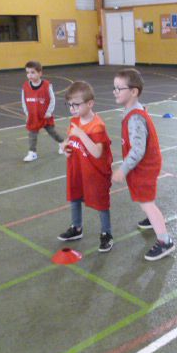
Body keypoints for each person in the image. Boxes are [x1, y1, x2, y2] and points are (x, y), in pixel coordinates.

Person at [111, 68, 175, 261]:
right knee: (143, 198)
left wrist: (123, 169)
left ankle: (165, 241)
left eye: (119, 88)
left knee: (146, 202)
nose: (115, 92)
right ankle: (151, 219)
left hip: (144, 166)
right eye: (114, 88)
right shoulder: (134, 110)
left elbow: (138, 150)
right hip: (144, 165)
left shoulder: (135, 117)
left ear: (134, 91)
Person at [58, 81, 114, 252]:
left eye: (76, 104)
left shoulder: (97, 126)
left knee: (100, 203)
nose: (72, 108)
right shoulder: (75, 121)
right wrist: (65, 147)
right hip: (77, 169)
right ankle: (77, 228)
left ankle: (107, 234)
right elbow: (71, 140)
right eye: (69, 104)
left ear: (90, 104)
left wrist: (81, 134)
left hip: (94, 173)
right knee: (75, 198)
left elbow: (97, 152)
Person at [21, 60, 64, 162]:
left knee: (52, 132)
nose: (30, 75)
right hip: (33, 116)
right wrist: (27, 114)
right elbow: (23, 101)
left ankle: (62, 143)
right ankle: (32, 152)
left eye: (32, 72)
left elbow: (52, 99)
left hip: (45, 116)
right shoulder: (25, 87)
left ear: (40, 73)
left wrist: (49, 112)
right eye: (27, 73)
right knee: (32, 135)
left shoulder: (47, 85)